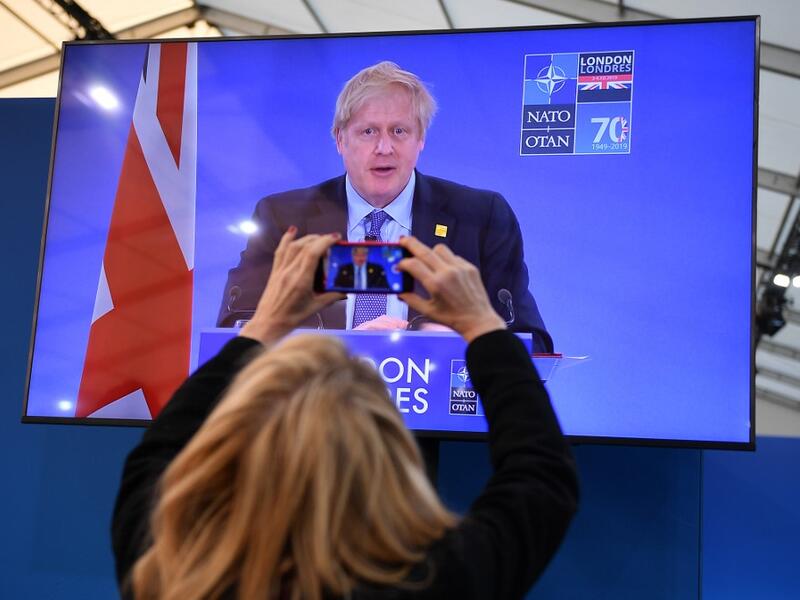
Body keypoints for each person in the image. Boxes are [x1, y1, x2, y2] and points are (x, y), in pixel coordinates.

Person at [113, 230, 579, 599]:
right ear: (389, 453)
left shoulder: (168, 569)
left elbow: (156, 454)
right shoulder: (444, 581)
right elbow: (542, 476)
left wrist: (262, 327)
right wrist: (481, 325)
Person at [217, 61, 554, 352]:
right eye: (368, 131)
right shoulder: (283, 218)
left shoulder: (480, 217)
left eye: (399, 131)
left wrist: (464, 341)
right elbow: (238, 329)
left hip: (437, 421)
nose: (384, 147)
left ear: (420, 139)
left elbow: (530, 339)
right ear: (340, 139)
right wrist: (344, 348)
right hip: (315, 415)